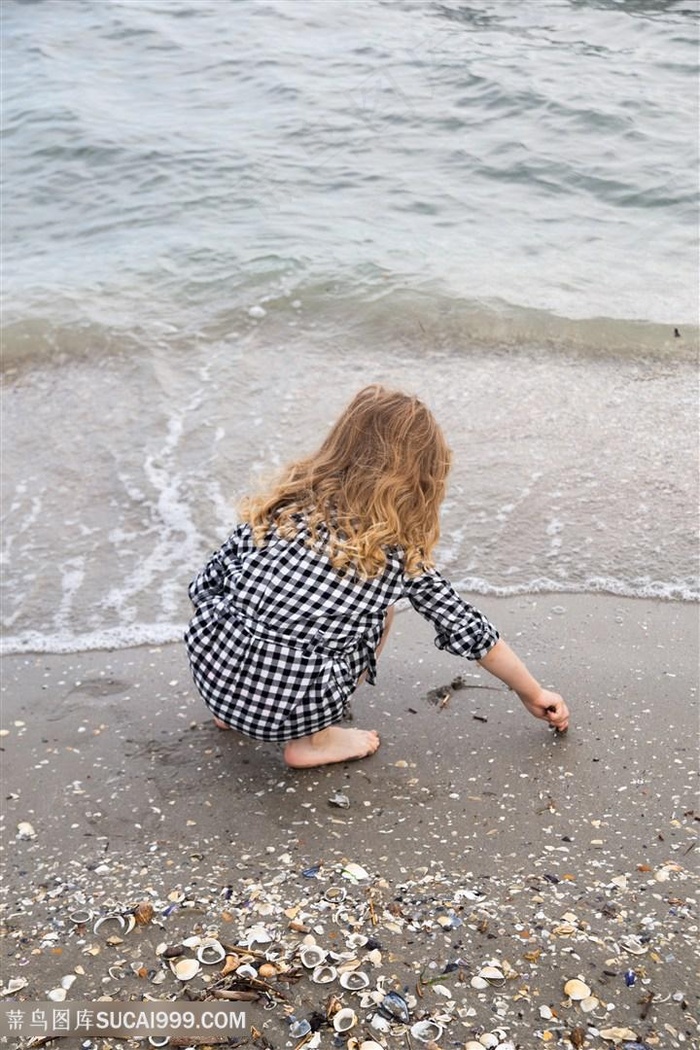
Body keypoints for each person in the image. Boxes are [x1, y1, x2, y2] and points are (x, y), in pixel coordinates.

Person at [185, 385, 569, 768]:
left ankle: (232, 711)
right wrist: (532, 692)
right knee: (380, 613)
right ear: (417, 477)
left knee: (247, 603)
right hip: (291, 704)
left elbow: (206, 584)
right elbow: (466, 627)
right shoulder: (394, 554)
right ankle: (313, 741)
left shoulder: (282, 507)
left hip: (213, 672)